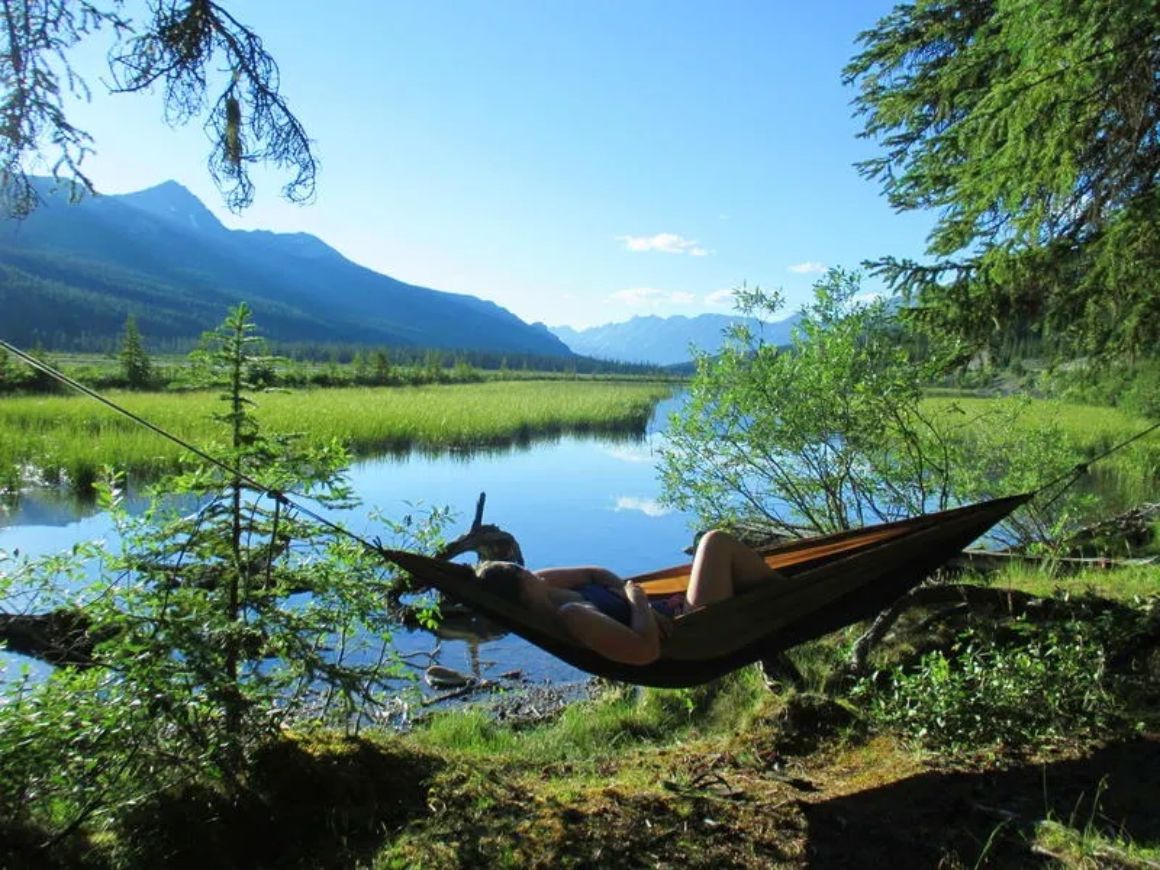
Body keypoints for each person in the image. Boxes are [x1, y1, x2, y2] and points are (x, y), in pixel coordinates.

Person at [477, 530, 783, 666]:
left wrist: (625, 590)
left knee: (723, 553)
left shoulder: (544, 582)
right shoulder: (572, 615)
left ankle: (792, 589)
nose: (528, 570)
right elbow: (646, 650)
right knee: (714, 542)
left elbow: (596, 573)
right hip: (689, 633)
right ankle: (791, 594)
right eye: (521, 571)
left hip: (671, 609)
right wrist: (638, 600)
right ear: (521, 588)